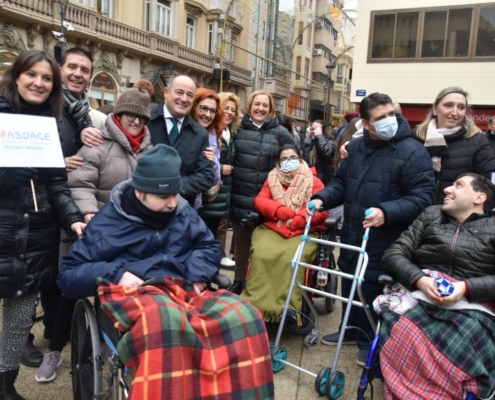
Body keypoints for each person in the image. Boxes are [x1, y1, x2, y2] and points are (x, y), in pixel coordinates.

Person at [58, 144, 275, 399]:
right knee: (166, 322)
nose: (173, 203)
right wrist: (115, 273)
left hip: (183, 288)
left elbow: (208, 245)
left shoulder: (183, 212)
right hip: (137, 291)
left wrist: (198, 272)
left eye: (175, 193)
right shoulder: (109, 222)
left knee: (245, 313)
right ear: (139, 192)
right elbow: (68, 274)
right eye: (163, 197)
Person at [308, 92, 437, 367]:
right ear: (366, 124)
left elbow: (423, 196)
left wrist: (386, 212)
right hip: (355, 233)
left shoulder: (413, 150)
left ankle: (371, 342)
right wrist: (322, 199)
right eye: (381, 118)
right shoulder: (355, 149)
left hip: (387, 237)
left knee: (372, 290)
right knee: (349, 285)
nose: (390, 120)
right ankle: (350, 330)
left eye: (391, 114)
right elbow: (341, 184)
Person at [0, 49, 86, 399]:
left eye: (47, 78)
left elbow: (56, 184)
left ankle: (5, 386)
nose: (38, 82)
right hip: (3, 228)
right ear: (16, 76)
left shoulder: (48, 124)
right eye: (31, 74)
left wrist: (74, 219)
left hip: (34, 237)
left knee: (19, 317)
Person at [377, 173, 495, 399]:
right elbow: (393, 254)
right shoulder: (431, 215)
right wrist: (419, 279)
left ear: (479, 197)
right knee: (406, 329)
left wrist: (466, 287)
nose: (447, 190)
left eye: (458, 185)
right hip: (419, 293)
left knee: (467, 336)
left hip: (471, 304)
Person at [242, 145, 328, 325]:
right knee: (261, 253)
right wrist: (280, 210)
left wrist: (300, 219)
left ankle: (290, 307)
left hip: (303, 230)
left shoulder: (313, 180)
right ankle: (254, 304)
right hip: (274, 227)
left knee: (293, 258)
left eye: (293, 157)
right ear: (278, 163)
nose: (289, 162)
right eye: (284, 159)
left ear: (301, 158)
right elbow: (260, 200)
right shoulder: (272, 178)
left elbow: (322, 210)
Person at [229, 90, 297, 294]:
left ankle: (259, 285)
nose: (260, 108)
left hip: (269, 201)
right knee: (242, 244)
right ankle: (239, 280)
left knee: (263, 246)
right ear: (249, 106)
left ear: (271, 109)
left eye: (265, 105)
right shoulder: (236, 129)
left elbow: (295, 163)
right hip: (240, 197)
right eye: (256, 104)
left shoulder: (280, 132)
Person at [414, 87, 495, 205]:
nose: (454, 112)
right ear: (435, 109)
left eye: (461, 107)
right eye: (448, 105)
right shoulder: (416, 137)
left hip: (458, 215)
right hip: (417, 212)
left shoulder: (477, 140)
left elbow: (488, 184)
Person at [146, 75, 214, 208]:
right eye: (179, 92)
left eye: (189, 95)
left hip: (180, 210)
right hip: (144, 205)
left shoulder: (200, 134)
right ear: (166, 92)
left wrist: (171, 185)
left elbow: (205, 177)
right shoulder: (146, 121)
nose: (184, 99)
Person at [204, 92, 241, 270]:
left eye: (233, 110)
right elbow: (204, 157)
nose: (229, 112)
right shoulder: (210, 130)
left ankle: (218, 259)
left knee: (220, 226)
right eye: (226, 108)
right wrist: (220, 167)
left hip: (224, 190)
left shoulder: (229, 132)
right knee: (209, 231)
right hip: (210, 191)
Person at [189, 88, 224, 215]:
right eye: (203, 108)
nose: (208, 115)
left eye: (212, 111)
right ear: (193, 106)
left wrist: (213, 163)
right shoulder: (181, 129)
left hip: (196, 204)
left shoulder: (214, 135)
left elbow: (214, 180)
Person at [302, 119, 336, 186]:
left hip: (324, 179)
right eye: (312, 128)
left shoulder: (330, 143)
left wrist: (319, 136)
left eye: (316, 129)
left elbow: (325, 154)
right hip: (310, 177)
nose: (313, 131)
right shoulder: (308, 142)